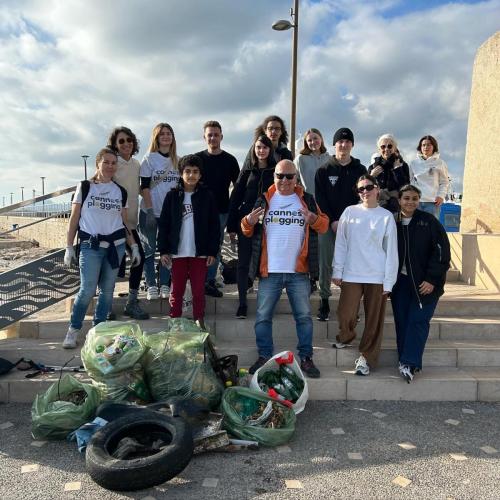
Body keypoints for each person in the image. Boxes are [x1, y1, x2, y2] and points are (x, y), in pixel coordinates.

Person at [242, 160, 329, 377]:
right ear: (274, 177)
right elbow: (246, 229)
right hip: (269, 271)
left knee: (304, 317)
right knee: (262, 317)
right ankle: (264, 356)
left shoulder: (306, 200)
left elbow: (325, 225)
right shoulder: (264, 199)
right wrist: (248, 221)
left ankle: (306, 358)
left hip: (298, 271)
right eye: (280, 176)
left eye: (289, 176)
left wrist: (313, 218)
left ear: (296, 179)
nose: (285, 180)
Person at [62, 148, 141, 348]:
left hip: (116, 247)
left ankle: (99, 330)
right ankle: (73, 329)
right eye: (106, 162)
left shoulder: (120, 191)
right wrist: (69, 246)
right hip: (91, 246)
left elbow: (124, 223)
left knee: (107, 290)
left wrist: (134, 247)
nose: (110, 166)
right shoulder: (85, 187)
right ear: (98, 163)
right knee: (87, 289)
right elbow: (74, 219)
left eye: (113, 163)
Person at [332, 174, 398, 376]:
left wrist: (389, 281)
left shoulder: (386, 216)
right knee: (346, 313)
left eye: (368, 187)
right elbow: (341, 243)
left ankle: (367, 358)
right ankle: (346, 336)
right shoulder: (349, 212)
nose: (365, 192)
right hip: (352, 273)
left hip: (377, 275)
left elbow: (391, 250)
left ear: (377, 189)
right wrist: (337, 269)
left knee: (374, 320)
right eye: (360, 189)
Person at [392, 184, 451, 383]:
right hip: (400, 283)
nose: (410, 202)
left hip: (425, 284)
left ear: (419, 200)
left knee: (418, 321)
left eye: (414, 198)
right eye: (406, 198)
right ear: (399, 200)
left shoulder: (429, 222)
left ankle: (410, 362)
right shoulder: (392, 221)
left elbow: (442, 252)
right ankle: (404, 359)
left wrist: (432, 279)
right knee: (402, 321)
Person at [158, 155, 220, 330]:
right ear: (180, 173)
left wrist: (212, 251)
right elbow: (164, 225)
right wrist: (163, 250)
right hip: (177, 253)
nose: (191, 175)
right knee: (176, 291)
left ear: (200, 175)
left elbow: (214, 227)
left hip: (199, 253)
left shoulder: (207, 196)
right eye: (187, 171)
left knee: (198, 291)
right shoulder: (172, 196)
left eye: (195, 172)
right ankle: (174, 322)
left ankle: (199, 321)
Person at [314, 127, 367, 321]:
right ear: (334, 144)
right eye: (340, 142)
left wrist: (348, 221)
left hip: (354, 224)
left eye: (347, 142)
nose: (343, 145)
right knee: (326, 262)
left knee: (353, 264)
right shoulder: (324, 170)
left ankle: (352, 304)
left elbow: (363, 196)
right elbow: (320, 199)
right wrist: (334, 220)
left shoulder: (360, 170)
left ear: (352, 145)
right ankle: (324, 300)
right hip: (329, 223)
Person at [227, 135, 277, 319]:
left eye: (265, 147)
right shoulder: (247, 172)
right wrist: (231, 226)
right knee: (243, 263)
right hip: (246, 222)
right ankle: (242, 303)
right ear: (254, 150)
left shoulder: (276, 173)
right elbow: (235, 199)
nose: (261, 150)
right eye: (258, 147)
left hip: (269, 225)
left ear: (270, 150)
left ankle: (266, 303)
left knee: (266, 264)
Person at [106, 126, 149, 320]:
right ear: (115, 144)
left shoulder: (137, 164)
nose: (126, 144)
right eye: (121, 141)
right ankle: (105, 305)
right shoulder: (113, 164)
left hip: (131, 224)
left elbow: (139, 188)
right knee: (113, 267)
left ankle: (132, 303)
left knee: (139, 261)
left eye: (129, 140)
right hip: (114, 225)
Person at [195, 120, 240, 297]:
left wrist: (233, 217)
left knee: (216, 246)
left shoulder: (230, 160)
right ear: (204, 137)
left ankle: (210, 279)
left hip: (222, 211)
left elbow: (237, 189)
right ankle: (199, 278)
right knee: (198, 245)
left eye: (216, 134)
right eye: (209, 135)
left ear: (221, 136)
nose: (213, 137)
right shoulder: (197, 159)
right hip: (199, 211)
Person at [138, 123, 180, 301]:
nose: (165, 136)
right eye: (162, 134)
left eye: (169, 133)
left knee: (167, 249)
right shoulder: (149, 159)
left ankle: (164, 282)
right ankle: (151, 284)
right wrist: (149, 210)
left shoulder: (178, 160)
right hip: (150, 211)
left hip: (169, 213)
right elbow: (145, 187)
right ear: (156, 137)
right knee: (149, 249)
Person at [368, 133, 410, 213]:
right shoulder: (373, 167)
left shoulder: (402, 165)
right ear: (379, 150)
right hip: (377, 207)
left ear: (395, 148)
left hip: (397, 207)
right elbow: (365, 187)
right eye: (383, 147)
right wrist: (371, 176)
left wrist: (397, 170)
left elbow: (406, 188)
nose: (386, 149)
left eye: (390, 146)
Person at [409, 135, 449, 218]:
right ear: (420, 147)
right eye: (423, 145)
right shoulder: (413, 163)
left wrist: (441, 196)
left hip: (433, 202)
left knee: (431, 228)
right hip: (416, 201)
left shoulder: (440, 163)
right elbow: (410, 181)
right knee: (416, 227)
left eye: (429, 145)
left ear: (434, 147)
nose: (426, 147)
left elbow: (444, 182)